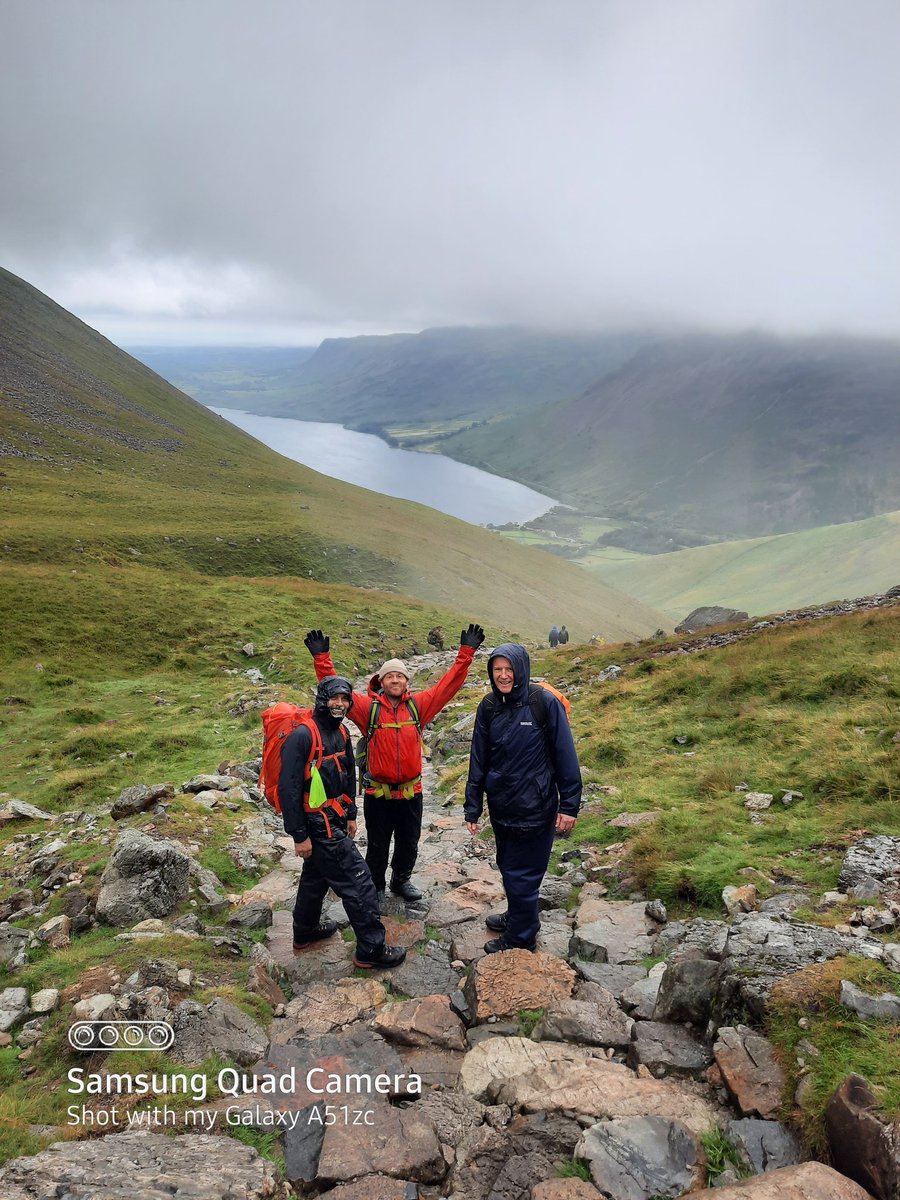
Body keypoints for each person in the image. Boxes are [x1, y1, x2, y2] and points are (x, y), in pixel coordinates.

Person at [304, 623, 486, 901]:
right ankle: (375, 884)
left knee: (408, 843)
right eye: (390, 676)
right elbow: (336, 692)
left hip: (412, 793)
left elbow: (447, 687)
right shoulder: (368, 709)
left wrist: (466, 653)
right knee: (377, 845)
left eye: (400, 676)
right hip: (378, 793)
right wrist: (322, 660)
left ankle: (401, 881)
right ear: (381, 681)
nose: (395, 681)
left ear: (406, 682)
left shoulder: (419, 706)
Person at [278, 675, 405, 968]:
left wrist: (350, 815)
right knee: (359, 881)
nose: (339, 704)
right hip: (317, 824)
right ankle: (371, 950)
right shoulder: (303, 736)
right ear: (322, 698)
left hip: (334, 819)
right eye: (334, 698)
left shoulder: (343, 733)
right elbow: (289, 788)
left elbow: (349, 775)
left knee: (316, 876)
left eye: (345, 699)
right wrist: (298, 835)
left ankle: (305, 930)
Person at [464, 643, 582, 953]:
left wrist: (569, 804)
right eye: (497, 670)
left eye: (509, 669)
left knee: (523, 873)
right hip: (502, 806)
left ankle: (521, 937)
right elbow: (479, 759)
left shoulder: (542, 703)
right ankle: (519, 916)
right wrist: (473, 806)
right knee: (508, 865)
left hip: (536, 805)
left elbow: (564, 755)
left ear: (521, 668)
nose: (503, 676)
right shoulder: (488, 706)